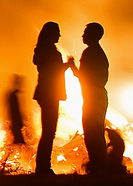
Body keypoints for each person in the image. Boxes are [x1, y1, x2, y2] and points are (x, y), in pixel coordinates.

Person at [32, 22, 74, 175]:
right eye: (57, 32)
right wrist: (68, 65)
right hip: (49, 93)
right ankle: (43, 167)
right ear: (51, 34)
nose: (59, 35)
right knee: (49, 132)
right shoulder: (49, 50)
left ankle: (42, 166)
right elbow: (53, 70)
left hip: (45, 93)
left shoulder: (43, 49)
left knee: (48, 131)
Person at [71, 22, 109, 174]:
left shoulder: (90, 53)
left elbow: (84, 77)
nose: (82, 35)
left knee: (92, 132)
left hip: (93, 97)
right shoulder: (98, 52)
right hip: (98, 96)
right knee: (96, 132)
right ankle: (100, 165)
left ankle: (98, 167)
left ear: (94, 35)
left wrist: (72, 66)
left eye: (85, 32)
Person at [7, 74, 26, 144]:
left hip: (16, 121)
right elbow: (14, 110)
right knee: (18, 140)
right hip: (15, 120)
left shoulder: (13, 95)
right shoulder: (13, 96)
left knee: (18, 139)